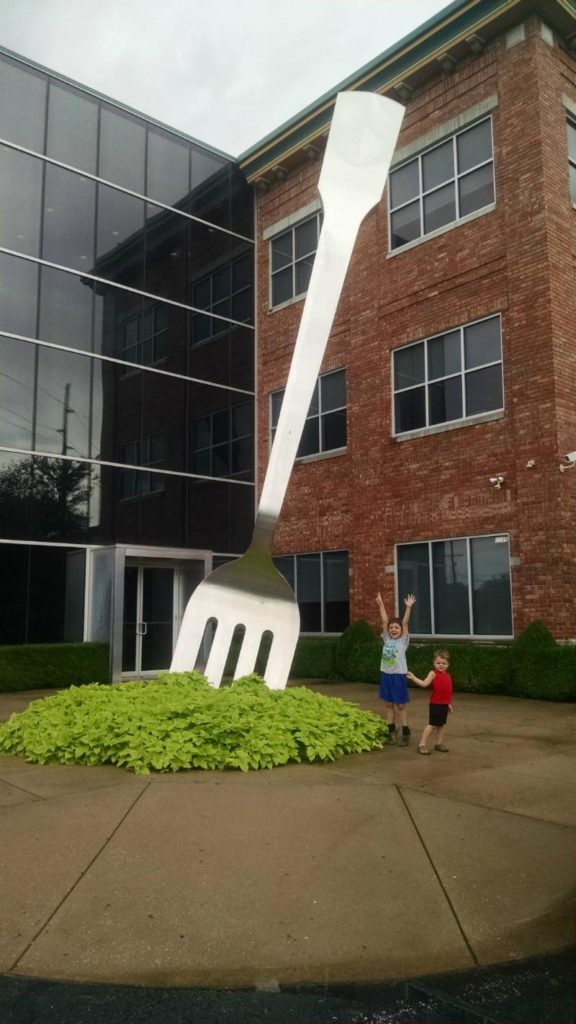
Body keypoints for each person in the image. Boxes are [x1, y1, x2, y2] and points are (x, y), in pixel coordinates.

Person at [375, 591, 416, 746]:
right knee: (388, 704)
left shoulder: (403, 641)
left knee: (400, 705)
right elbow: (384, 621)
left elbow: (405, 623)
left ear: (400, 630)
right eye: (392, 627)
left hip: (398, 675)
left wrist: (408, 608)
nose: (393, 629)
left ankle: (406, 731)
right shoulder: (386, 638)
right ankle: (391, 731)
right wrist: (381, 605)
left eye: (396, 628)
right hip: (386, 675)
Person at [406, 650, 453, 755]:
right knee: (432, 725)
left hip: (444, 704)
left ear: (448, 665)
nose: (441, 665)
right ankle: (422, 745)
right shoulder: (433, 673)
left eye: (444, 663)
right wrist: (413, 677)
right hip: (435, 704)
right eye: (438, 663)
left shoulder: (448, 676)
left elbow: (448, 691)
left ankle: (439, 743)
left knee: (441, 725)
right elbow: (424, 684)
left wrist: (448, 703)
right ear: (434, 663)